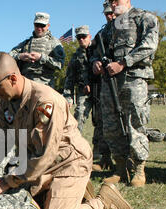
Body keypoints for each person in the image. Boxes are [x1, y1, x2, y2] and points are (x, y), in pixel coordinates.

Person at [0, 52, 134, 209]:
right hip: (38, 167)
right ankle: (73, 193)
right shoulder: (6, 103)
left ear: (12, 78)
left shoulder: (45, 101)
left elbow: (46, 154)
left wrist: (9, 180)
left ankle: (103, 201)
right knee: (20, 205)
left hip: (69, 163)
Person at [92, 0, 159, 187]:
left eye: (116, 0)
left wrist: (123, 63)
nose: (113, 4)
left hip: (134, 79)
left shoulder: (144, 18)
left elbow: (149, 45)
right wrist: (95, 63)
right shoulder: (108, 28)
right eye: (110, 1)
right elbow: (96, 50)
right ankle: (120, 168)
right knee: (111, 125)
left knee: (135, 123)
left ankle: (139, 169)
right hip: (109, 82)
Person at [90, 1, 116, 172]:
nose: (109, 16)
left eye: (111, 12)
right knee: (102, 121)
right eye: (106, 13)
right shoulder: (101, 34)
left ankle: (127, 161)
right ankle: (104, 158)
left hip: (124, 80)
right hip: (104, 84)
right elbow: (92, 55)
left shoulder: (127, 29)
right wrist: (95, 63)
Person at [9, 12, 65, 88]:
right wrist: (20, 56)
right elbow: (8, 56)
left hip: (45, 85)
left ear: (48, 26)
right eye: (37, 25)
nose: (39, 28)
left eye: (42, 25)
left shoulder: (54, 43)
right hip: (25, 84)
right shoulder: (26, 43)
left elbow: (60, 64)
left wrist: (41, 58)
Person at [63, 25, 94, 133]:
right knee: (79, 115)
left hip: (101, 91)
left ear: (89, 36)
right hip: (84, 93)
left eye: (83, 36)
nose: (81, 39)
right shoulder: (76, 57)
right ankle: (75, 144)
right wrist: (68, 97)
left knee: (103, 120)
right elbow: (69, 79)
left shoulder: (99, 50)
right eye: (78, 37)